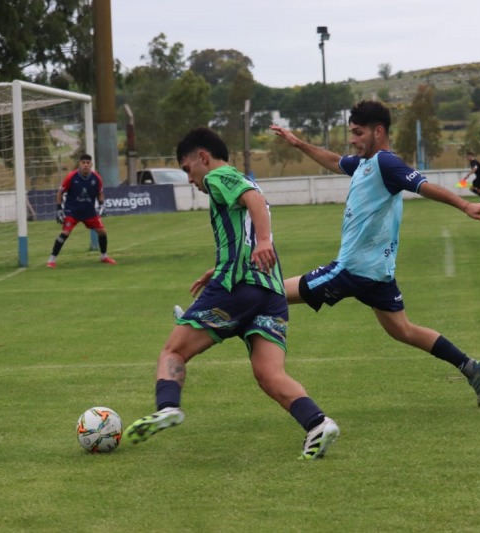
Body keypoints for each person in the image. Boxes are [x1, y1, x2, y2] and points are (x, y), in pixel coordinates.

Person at [124, 127, 339, 460]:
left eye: (187, 169)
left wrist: (264, 243)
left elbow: (254, 202)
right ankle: (317, 423)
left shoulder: (218, 176)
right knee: (269, 374)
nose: (190, 179)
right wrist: (224, 261)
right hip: (270, 293)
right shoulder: (238, 179)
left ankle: (168, 407)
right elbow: (249, 221)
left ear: (203, 158)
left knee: (173, 352)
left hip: (237, 288)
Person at [269, 100, 480, 407]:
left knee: (270, 291)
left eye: (358, 132)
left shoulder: (386, 164)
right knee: (402, 330)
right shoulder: (365, 163)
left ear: (378, 132)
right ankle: (471, 367)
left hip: (351, 270)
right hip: (378, 272)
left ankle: (208, 320)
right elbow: (334, 161)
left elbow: (424, 185)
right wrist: (298, 143)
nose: (352, 139)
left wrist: (464, 204)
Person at [46, 154, 116, 268]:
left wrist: (102, 205)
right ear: (79, 164)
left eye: (88, 163)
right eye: (83, 162)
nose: (85, 165)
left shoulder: (96, 178)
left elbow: (100, 192)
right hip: (72, 212)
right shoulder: (71, 177)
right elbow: (60, 193)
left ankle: (104, 256)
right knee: (65, 233)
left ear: (91, 164)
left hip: (89, 212)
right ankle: (52, 259)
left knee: (102, 232)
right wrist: (59, 210)